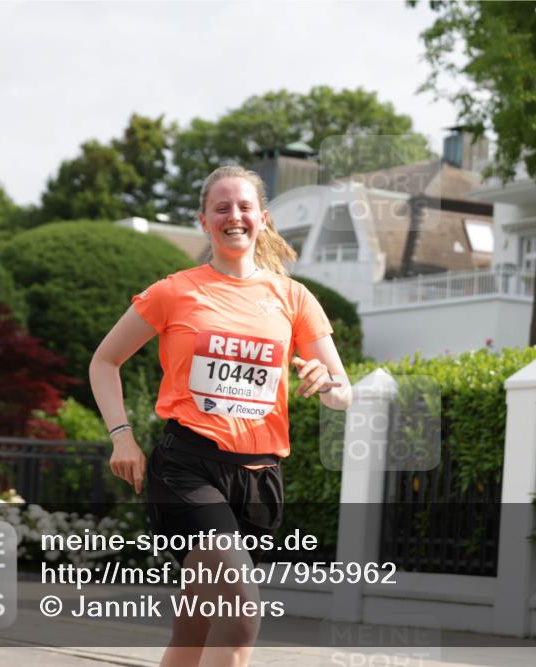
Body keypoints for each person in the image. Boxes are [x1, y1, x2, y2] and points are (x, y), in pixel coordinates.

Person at [89, 165, 352, 667]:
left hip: (260, 478)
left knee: (194, 632)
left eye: (245, 207)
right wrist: (121, 436)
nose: (235, 216)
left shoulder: (293, 297)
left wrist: (327, 384)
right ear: (204, 220)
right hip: (188, 468)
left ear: (263, 219)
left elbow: (343, 391)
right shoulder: (174, 291)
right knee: (241, 613)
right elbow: (105, 360)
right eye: (222, 208)